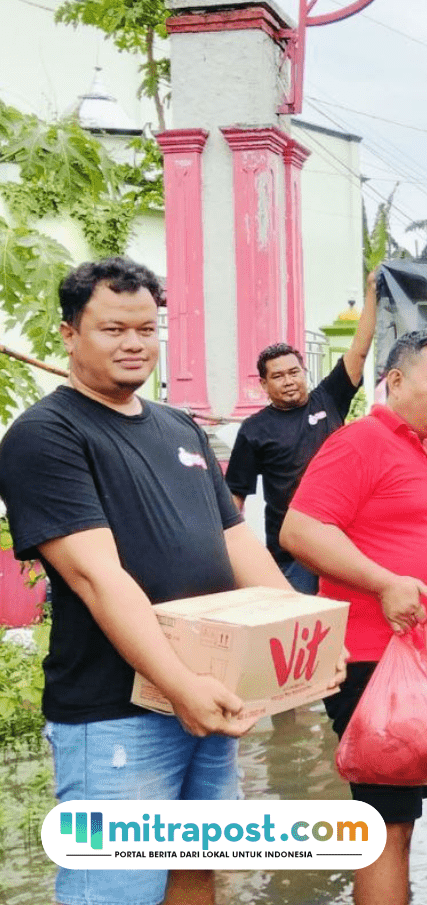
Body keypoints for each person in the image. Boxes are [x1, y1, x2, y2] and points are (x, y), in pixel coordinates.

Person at [0, 257, 295, 905]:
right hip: (116, 712)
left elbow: (237, 543)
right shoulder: (46, 436)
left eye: (146, 327)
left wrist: (302, 635)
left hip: (210, 693)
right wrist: (178, 682)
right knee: (117, 888)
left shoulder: (178, 425)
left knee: (196, 870)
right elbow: (99, 577)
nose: (134, 342)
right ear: (69, 333)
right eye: (112, 328)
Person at [279, 330, 427, 905]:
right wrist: (384, 582)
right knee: (383, 826)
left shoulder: (418, 449)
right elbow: (301, 530)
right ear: (393, 382)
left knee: (397, 822)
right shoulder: (360, 441)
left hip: (408, 662)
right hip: (372, 661)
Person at [225, 269, 378, 593]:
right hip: (293, 554)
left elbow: (358, 351)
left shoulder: (329, 397)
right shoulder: (254, 431)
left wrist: (372, 293)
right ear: (264, 385)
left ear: (304, 372)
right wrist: (233, 558)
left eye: (294, 371)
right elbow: (234, 497)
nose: (289, 380)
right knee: (301, 637)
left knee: (350, 627)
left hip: (347, 541)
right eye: (278, 376)